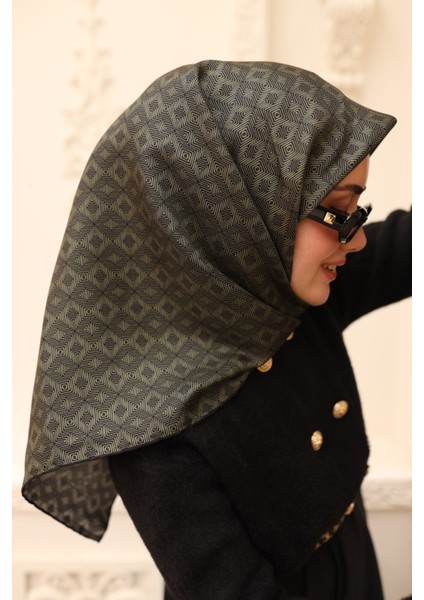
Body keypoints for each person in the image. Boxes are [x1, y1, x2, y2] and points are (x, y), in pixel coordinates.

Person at [22, 60, 411, 599]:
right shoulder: (155, 419)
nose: (358, 239)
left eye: (357, 211)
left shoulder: (279, 292)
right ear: (240, 209)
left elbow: (404, 249)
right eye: (337, 212)